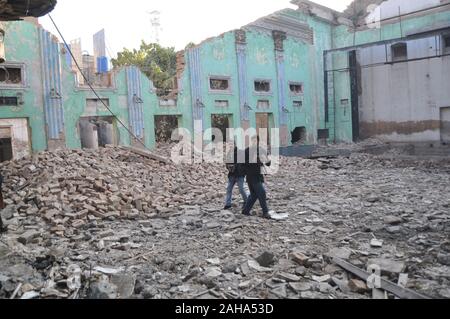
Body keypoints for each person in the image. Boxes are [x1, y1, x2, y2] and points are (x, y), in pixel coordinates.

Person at [242, 136, 273, 219]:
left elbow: (268, 163)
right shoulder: (247, 151)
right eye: (253, 141)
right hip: (251, 176)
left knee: (254, 195)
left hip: (259, 175)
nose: (255, 142)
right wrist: (254, 160)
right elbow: (242, 164)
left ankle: (245, 210)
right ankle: (265, 212)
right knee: (262, 192)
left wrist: (267, 160)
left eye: (256, 141)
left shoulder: (261, 150)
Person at [224, 145, 248, 210]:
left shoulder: (241, 152)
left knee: (241, 189)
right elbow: (227, 162)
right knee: (229, 189)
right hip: (231, 174)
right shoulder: (229, 153)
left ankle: (246, 201)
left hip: (240, 175)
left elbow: (244, 163)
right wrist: (228, 167)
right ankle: (228, 204)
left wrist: (236, 167)